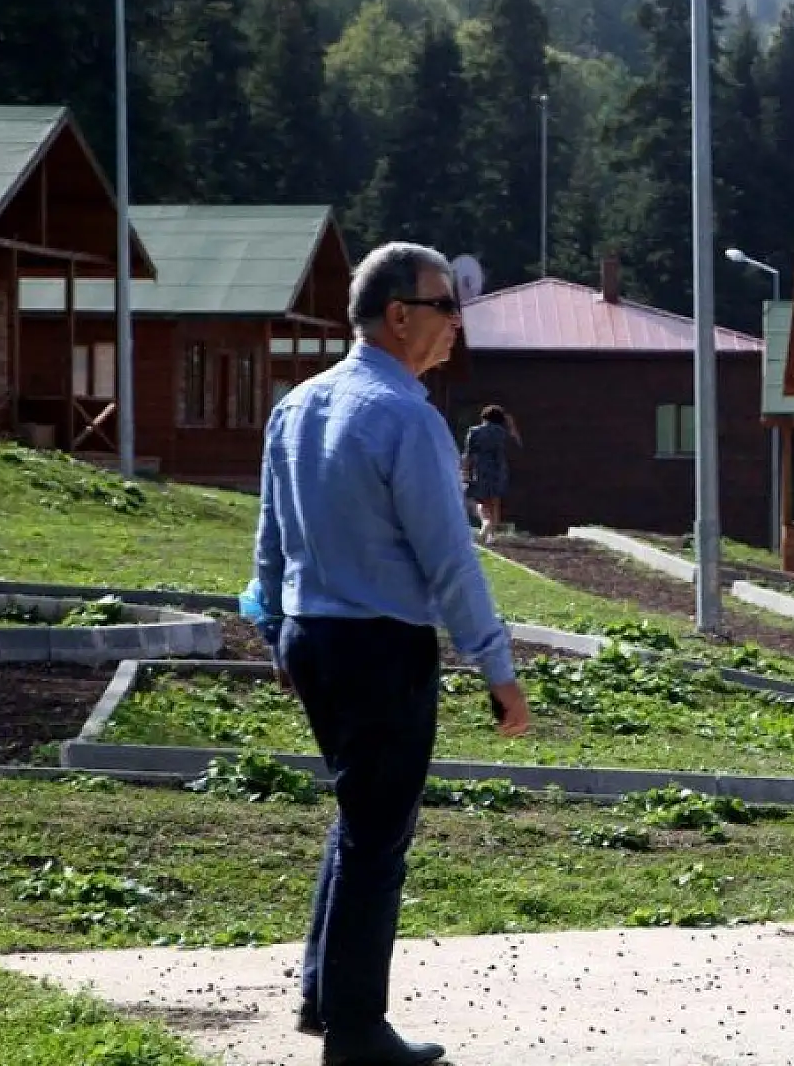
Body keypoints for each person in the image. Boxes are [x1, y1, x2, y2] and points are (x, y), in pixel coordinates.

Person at [252, 241, 531, 1066]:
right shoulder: (407, 417)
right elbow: (451, 559)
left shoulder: (297, 406)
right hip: (381, 648)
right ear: (399, 316)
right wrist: (499, 670)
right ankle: (358, 1033)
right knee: (379, 835)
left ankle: (323, 995)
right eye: (447, 308)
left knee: (358, 816)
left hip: (314, 637)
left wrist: (273, 629)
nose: (457, 325)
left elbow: (269, 540)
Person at [462, 404, 520, 545]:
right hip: (499, 470)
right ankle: (491, 535)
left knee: (481, 501)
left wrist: (465, 471)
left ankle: (486, 524)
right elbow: (516, 447)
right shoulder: (503, 433)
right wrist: (512, 427)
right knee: (495, 501)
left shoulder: (475, 431)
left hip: (480, 469)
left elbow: (468, 454)